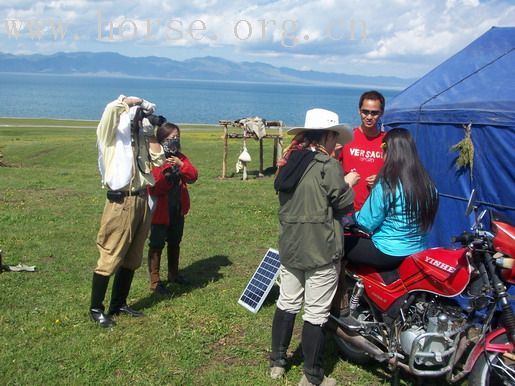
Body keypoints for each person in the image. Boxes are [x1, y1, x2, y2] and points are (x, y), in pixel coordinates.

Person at [270, 108, 355, 386]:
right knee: (316, 312)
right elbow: (343, 204)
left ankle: (278, 362)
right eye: (335, 137)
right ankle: (312, 376)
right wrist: (349, 183)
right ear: (328, 135)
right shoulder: (327, 165)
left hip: (292, 244)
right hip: (320, 247)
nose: (337, 143)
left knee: (287, 302)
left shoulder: (289, 161)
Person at [89, 95, 165, 328]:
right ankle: (96, 308)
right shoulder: (110, 136)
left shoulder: (139, 137)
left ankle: (118, 303)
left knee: (132, 256)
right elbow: (111, 111)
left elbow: (159, 160)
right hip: (121, 202)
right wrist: (128, 101)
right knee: (111, 253)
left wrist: (149, 131)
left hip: (141, 199)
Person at [346, 127, 439, 269]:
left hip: (388, 251)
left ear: (389, 152)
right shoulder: (428, 185)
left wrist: (349, 219)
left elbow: (366, 222)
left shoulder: (387, 183)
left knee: (339, 245)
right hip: (418, 250)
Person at [147, 122, 198, 294]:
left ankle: (173, 274)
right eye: (170, 138)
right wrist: (168, 172)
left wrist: (181, 166)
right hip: (160, 210)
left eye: (176, 137)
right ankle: (155, 281)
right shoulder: (155, 159)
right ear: (161, 140)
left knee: (175, 241)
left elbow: (193, 176)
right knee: (157, 243)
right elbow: (153, 186)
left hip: (177, 207)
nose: (174, 141)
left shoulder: (181, 157)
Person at [337, 90, 386, 211]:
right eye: (365, 112)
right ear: (359, 110)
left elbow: (398, 173)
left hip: (376, 211)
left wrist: (382, 180)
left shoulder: (388, 141)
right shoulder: (347, 138)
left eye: (374, 113)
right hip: (347, 209)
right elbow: (331, 170)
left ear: (382, 113)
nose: (369, 117)